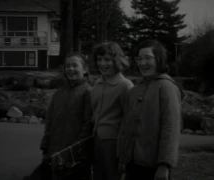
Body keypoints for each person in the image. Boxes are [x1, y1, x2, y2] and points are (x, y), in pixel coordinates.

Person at [117, 40, 182, 180]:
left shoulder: (167, 88)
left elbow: (171, 129)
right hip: (132, 164)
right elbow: (126, 127)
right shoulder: (134, 91)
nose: (142, 63)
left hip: (154, 166)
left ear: (159, 59)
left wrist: (165, 165)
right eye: (139, 58)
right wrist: (123, 158)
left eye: (147, 58)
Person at [24, 52, 93, 180]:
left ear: (84, 69)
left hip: (75, 154)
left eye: (74, 65)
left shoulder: (88, 92)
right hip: (54, 151)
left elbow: (88, 124)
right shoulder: (58, 94)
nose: (71, 69)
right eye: (68, 66)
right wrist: (45, 146)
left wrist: (77, 150)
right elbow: (49, 122)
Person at [91, 42, 134, 180]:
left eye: (107, 59)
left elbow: (129, 123)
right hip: (96, 140)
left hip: (114, 145)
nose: (102, 63)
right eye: (99, 59)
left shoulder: (125, 86)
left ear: (117, 61)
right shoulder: (97, 83)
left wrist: (124, 154)